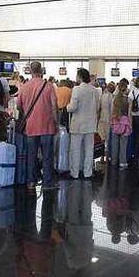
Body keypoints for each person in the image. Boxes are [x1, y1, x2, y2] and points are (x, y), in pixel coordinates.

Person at [17, 61, 58, 190]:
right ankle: (47, 183)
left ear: (30, 70)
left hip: (31, 126)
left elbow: (19, 106)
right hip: (47, 126)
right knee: (47, 156)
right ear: (42, 70)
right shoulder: (49, 86)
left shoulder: (24, 86)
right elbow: (54, 106)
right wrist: (56, 123)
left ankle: (31, 182)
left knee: (31, 156)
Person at [67, 68, 100, 179]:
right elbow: (97, 107)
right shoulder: (95, 90)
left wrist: (67, 107)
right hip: (90, 124)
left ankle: (74, 173)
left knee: (75, 150)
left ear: (80, 77)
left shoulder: (76, 89)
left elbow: (73, 107)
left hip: (78, 125)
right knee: (89, 150)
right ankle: (88, 172)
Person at [110, 81, 131, 169]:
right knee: (123, 144)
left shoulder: (114, 99)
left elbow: (112, 112)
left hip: (115, 122)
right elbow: (129, 114)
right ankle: (122, 162)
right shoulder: (129, 100)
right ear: (126, 89)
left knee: (114, 143)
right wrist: (130, 125)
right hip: (125, 123)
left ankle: (114, 161)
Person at [98, 82, 115, 159]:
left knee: (102, 135)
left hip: (102, 118)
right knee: (108, 136)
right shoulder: (113, 97)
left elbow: (99, 108)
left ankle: (102, 151)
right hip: (109, 119)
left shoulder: (102, 96)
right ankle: (107, 151)